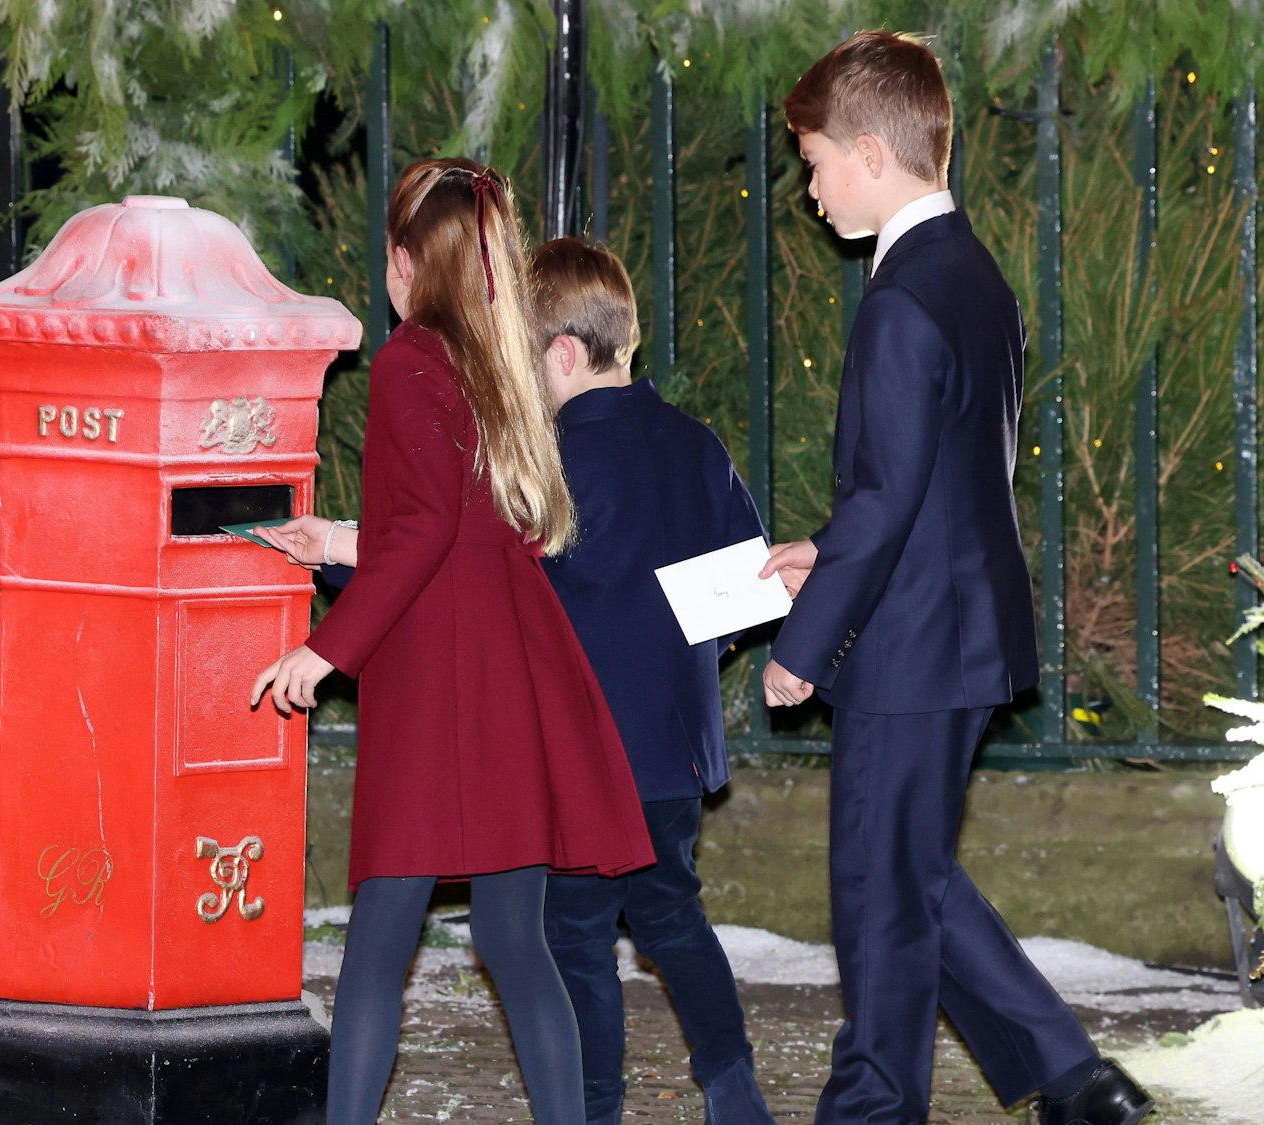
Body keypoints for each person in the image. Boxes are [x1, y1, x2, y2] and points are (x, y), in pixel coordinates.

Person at [283, 239, 781, 1125]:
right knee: (674, 920)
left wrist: (335, 559)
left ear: (558, 354)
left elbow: (453, 572)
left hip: (580, 754)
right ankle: (732, 1083)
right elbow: (751, 586)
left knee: (576, 941)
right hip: (672, 750)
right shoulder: (696, 445)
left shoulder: (544, 464)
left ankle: (590, 1107)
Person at [757, 30, 1154, 1125]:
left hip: (907, 645)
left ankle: (876, 1111)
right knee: (912, 877)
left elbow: (889, 497)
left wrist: (803, 642)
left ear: (872, 154)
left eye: (815, 162)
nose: (809, 187)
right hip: (962, 630)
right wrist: (824, 555)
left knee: (881, 902)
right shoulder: (974, 277)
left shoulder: (898, 300)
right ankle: (1076, 1082)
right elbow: (939, 478)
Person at [249, 157, 654, 1125]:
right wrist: (344, 540)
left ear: (402, 265)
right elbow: (464, 523)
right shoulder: (497, 364)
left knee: (378, 948)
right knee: (515, 942)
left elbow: (426, 528)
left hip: (435, 687)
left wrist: (324, 648)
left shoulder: (405, 363)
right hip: (506, 672)